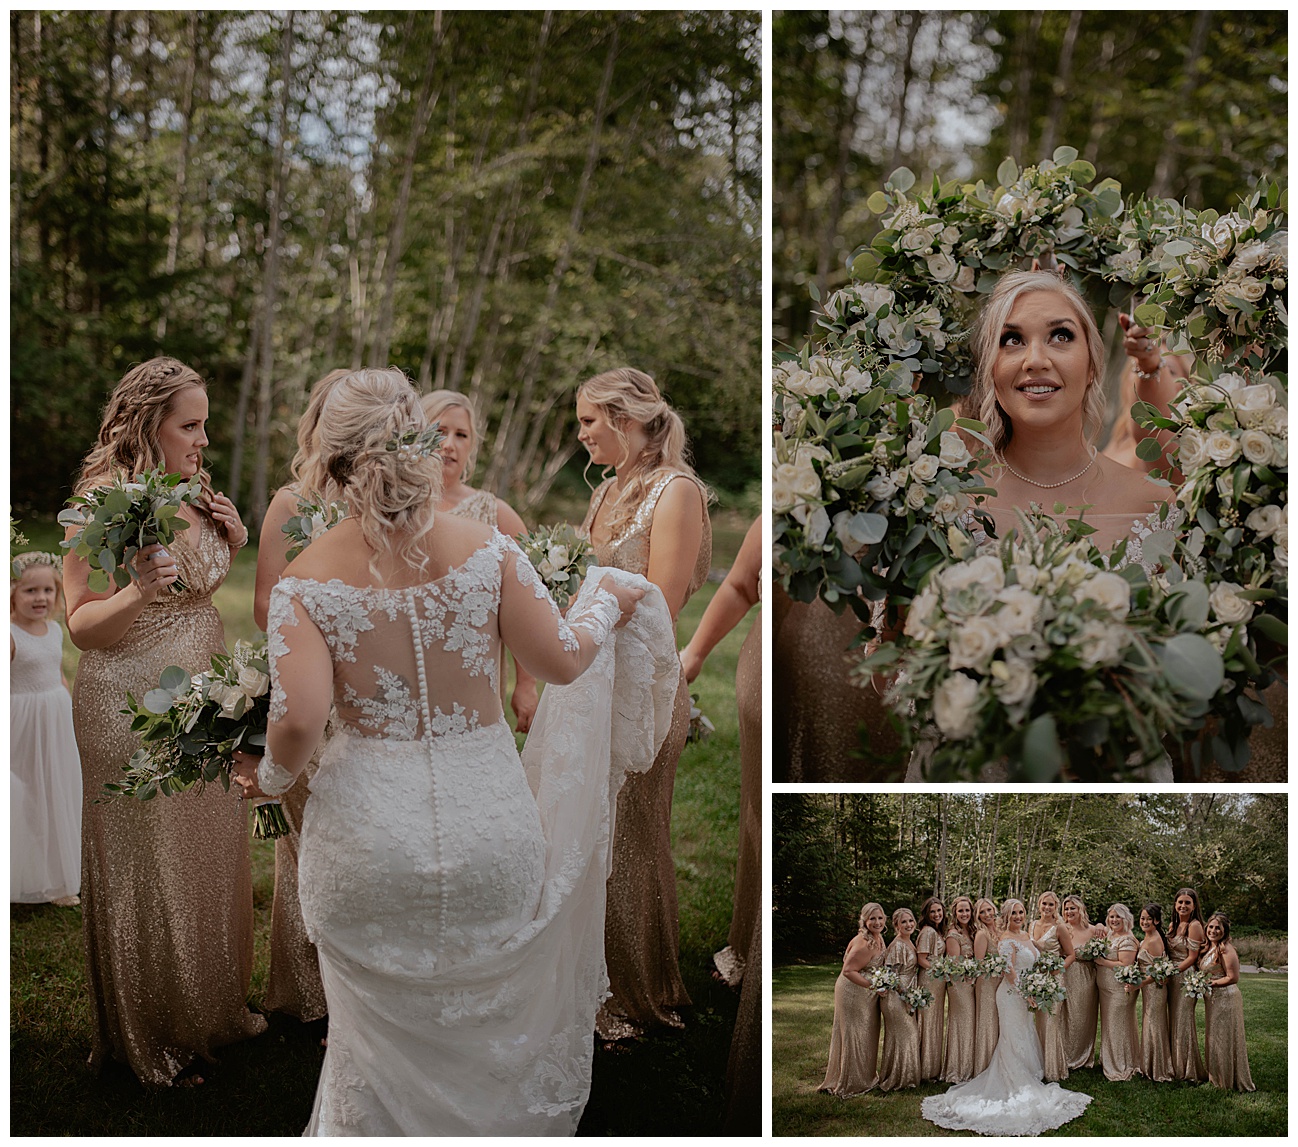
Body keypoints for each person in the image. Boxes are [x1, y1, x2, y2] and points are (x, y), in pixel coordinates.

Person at [232, 368, 654, 1134]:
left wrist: (267, 776)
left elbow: (297, 724)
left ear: (328, 460)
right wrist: (604, 599)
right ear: (419, 443)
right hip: (491, 828)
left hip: (366, 843)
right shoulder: (490, 550)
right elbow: (560, 658)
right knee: (485, 1034)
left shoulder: (304, 580)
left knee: (374, 1044)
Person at [64, 356, 264, 1085]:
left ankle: (207, 1011)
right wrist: (139, 591)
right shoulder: (100, 503)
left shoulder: (194, 488)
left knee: (205, 855)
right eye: (191, 424)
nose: (202, 438)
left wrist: (232, 539)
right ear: (149, 423)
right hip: (128, 706)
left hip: (204, 705)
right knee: (151, 866)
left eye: (204, 423)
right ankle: (151, 1035)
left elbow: (201, 583)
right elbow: (82, 624)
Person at [576, 366, 712, 1041]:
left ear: (623, 416)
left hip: (646, 686)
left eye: (588, 421)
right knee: (591, 832)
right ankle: (590, 976)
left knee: (633, 835)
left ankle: (641, 986)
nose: (582, 435)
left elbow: (662, 603)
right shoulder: (604, 491)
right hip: (588, 678)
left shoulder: (677, 490)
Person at [253, 369, 349, 1026]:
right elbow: (265, 602)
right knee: (304, 838)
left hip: (372, 693)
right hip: (310, 684)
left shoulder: (388, 500)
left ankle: (357, 987)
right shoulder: (292, 502)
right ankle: (305, 991)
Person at [959, 268, 1173, 554]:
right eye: (1012, 340)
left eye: (1060, 336)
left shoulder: (1153, 505)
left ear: (1091, 367)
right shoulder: (949, 498)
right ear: (991, 370)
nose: (1035, 361)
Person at [419, 389, 538, 732]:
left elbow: (529, 604)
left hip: (474, 678)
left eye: (461, 435)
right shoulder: (390, 508)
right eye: (439, 432)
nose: (449, 445)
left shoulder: (496, 514)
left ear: (472, 446)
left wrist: (526, 684)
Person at [922, 898, 1092, 1136]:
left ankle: (1028, 1071)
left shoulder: (1026, 935)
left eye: (1021, 912)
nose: (1018, 916)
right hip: (1012, 995)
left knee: (1024, 1032)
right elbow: (1009, 971)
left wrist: (1038, 985)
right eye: (1013, 914)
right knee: (1012, 1037)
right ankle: (1013, 1077)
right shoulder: (1005, 939)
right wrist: (1027, 994)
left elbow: (1036, 960)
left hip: (1025, 993)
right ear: (1006, 916)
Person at [680, 515, 760, 989]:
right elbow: (740, 585)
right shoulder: (785, 489)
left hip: (872, 676)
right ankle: (747, 941)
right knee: (759, 804)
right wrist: (694, 653)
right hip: (769, 671)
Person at [10, 552, 82, 907]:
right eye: (29, 591)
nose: (40, 598)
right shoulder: (9, 635)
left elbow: (57, 672)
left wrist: (66, 708)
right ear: (11, 593)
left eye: (47, 590)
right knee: (22, 796)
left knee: (54, 792)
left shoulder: (54, 630)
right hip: (20, 724)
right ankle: (18, 876)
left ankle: (56, 879)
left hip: (53, 719)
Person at [818, 902, 887, 1096]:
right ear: (864, 920)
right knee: (854, 1034)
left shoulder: (878, 938)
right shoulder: (864, 942)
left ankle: (864, 1076)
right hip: (853, 992)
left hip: (865, 992)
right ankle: (851, 1081)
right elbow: (848, 971)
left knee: (867, 1032)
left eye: (880, 918)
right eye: (872, 918)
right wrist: (874, 985)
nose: (877, 922)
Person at [1199, 912, 1255, 1091]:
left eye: (1218, 928)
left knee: (1223, 1037)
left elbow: (1233, 977)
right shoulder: (1210, 947)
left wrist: (1210, 983)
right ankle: (1216, 1076)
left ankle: (1226, 1080)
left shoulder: (1226, 949)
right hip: (1213, 998)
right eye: (1211, 927)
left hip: (1225, 997)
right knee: (1215, 1036)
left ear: (1225, 930)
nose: (1213, 931)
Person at [1093, 903, 1140, 1081]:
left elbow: (1125, 965)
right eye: (1111, 917)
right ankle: (1110, 1059)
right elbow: (1097, 928)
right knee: (1110, 1025)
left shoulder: (1127, 939)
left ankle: (1120, 1065)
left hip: (1119, 989)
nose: (1114, 920)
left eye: (1118, 917)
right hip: (1106, 990)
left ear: (1126, 919)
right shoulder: (1110, 934)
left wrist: (1102, 962)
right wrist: (1098, 925)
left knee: (1117, 1025)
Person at [1029, 890, 1071, 1081]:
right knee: (1037, 1022)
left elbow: (1071, 954)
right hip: (1036, 979)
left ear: (1056, 907)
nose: (1047, 908)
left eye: (1051, 905)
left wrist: (1059, 968)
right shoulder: (1031, 925)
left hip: (1054, 979)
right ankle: (1038, 1065)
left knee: (1051, 1022)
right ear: (1039, 905)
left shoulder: (1059, 927)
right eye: (1044, 904)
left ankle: (1054, 1069)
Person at [1167, 886, 1208, 1080]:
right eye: (1180, 902)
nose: (1183, 906)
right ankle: (1172, 1064)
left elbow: (1192, 957)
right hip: (1170, 978)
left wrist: (1172, 971)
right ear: (1175, 905)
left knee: (1183, 1020)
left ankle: (1187, 1069)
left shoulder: (1195, 925)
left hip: (1184, 977)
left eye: (1187, 903)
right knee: (1172, 1019)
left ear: (1194, 906)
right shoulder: (1172, 925)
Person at [878, 907, 921, 1091]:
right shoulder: (897, 945)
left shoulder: (910, 942)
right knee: (908, 1035)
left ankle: (903, 1077)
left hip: (906, 993)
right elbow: (891, 976)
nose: (908, 924)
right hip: (896, 997)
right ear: (896, 925)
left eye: (910, 920)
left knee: (905, 1036)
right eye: (903, 922)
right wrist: (907, 996)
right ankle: (899, 1079)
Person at [1059, 894, 1102, 1070]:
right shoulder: (1062, 929)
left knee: (1083, 1017)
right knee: (1065, 1016)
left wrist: (1100, 924)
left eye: (1073, 908)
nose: (1069, 911)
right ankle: (1064, 1054)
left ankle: (1083, 1056)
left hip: (1086, 979)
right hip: (1065, 976)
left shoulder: (1094, 930)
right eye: (1066, 908)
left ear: (1081, 910)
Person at [940, 895, 977, 1083]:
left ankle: (969, 1066)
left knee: (970, 1023)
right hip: (959, 984)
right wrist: (971, 970)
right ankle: (957, 1069)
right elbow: (954, 964)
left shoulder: (970, 931)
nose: (964, 913)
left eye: (967, 910)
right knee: (962, 1022)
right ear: (954, 912)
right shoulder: (953, 934)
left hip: (971, 982)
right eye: (961, 910)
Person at [1136, 903, 1173, 1082]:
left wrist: (1139, 984)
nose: (1144, 921)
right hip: (1149, 989)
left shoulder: (1155, 940)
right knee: (1150, 1023)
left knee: (1154, 1025)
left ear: (1156, 921)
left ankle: (1158, 1068)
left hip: (1155, 989)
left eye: (1148, 919)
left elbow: (1159, 972)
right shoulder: (1147, 937)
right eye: (1142, 918)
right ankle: (1148, 1064)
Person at [914, 896, 947, 1081]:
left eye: (939, 911)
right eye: (932, 911)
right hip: (929, 980)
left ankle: (931, 1067)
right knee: (927, 1022)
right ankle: (924, 1069)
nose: (936, 914)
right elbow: (921, 959)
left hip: (937, 980)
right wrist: (939, 969)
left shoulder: (936, 931)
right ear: (927, 914)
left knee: (934, 1022)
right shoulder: (927, 932)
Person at [971, 897, 1001, 1074]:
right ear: (978, 916)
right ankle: (985, 1065)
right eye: (982, 912)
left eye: (989, 910)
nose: (987, 914)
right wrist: (996, 967)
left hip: (1002, 982)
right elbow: (979, 963)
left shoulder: (1002, 929)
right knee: (987, 1021)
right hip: (987, 983)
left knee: (1000, 1021)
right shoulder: (982, 934)